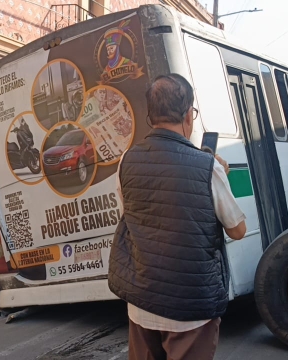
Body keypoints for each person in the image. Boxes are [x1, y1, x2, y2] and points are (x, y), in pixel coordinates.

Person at [108, 73, 247, 360]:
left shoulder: (126, 161)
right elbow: (238, 230)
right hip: (191, 309)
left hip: (142, 303)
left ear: (151, 117)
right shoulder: (209, 167)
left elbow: (131, 216)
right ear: (188, 115)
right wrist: (220, 174)